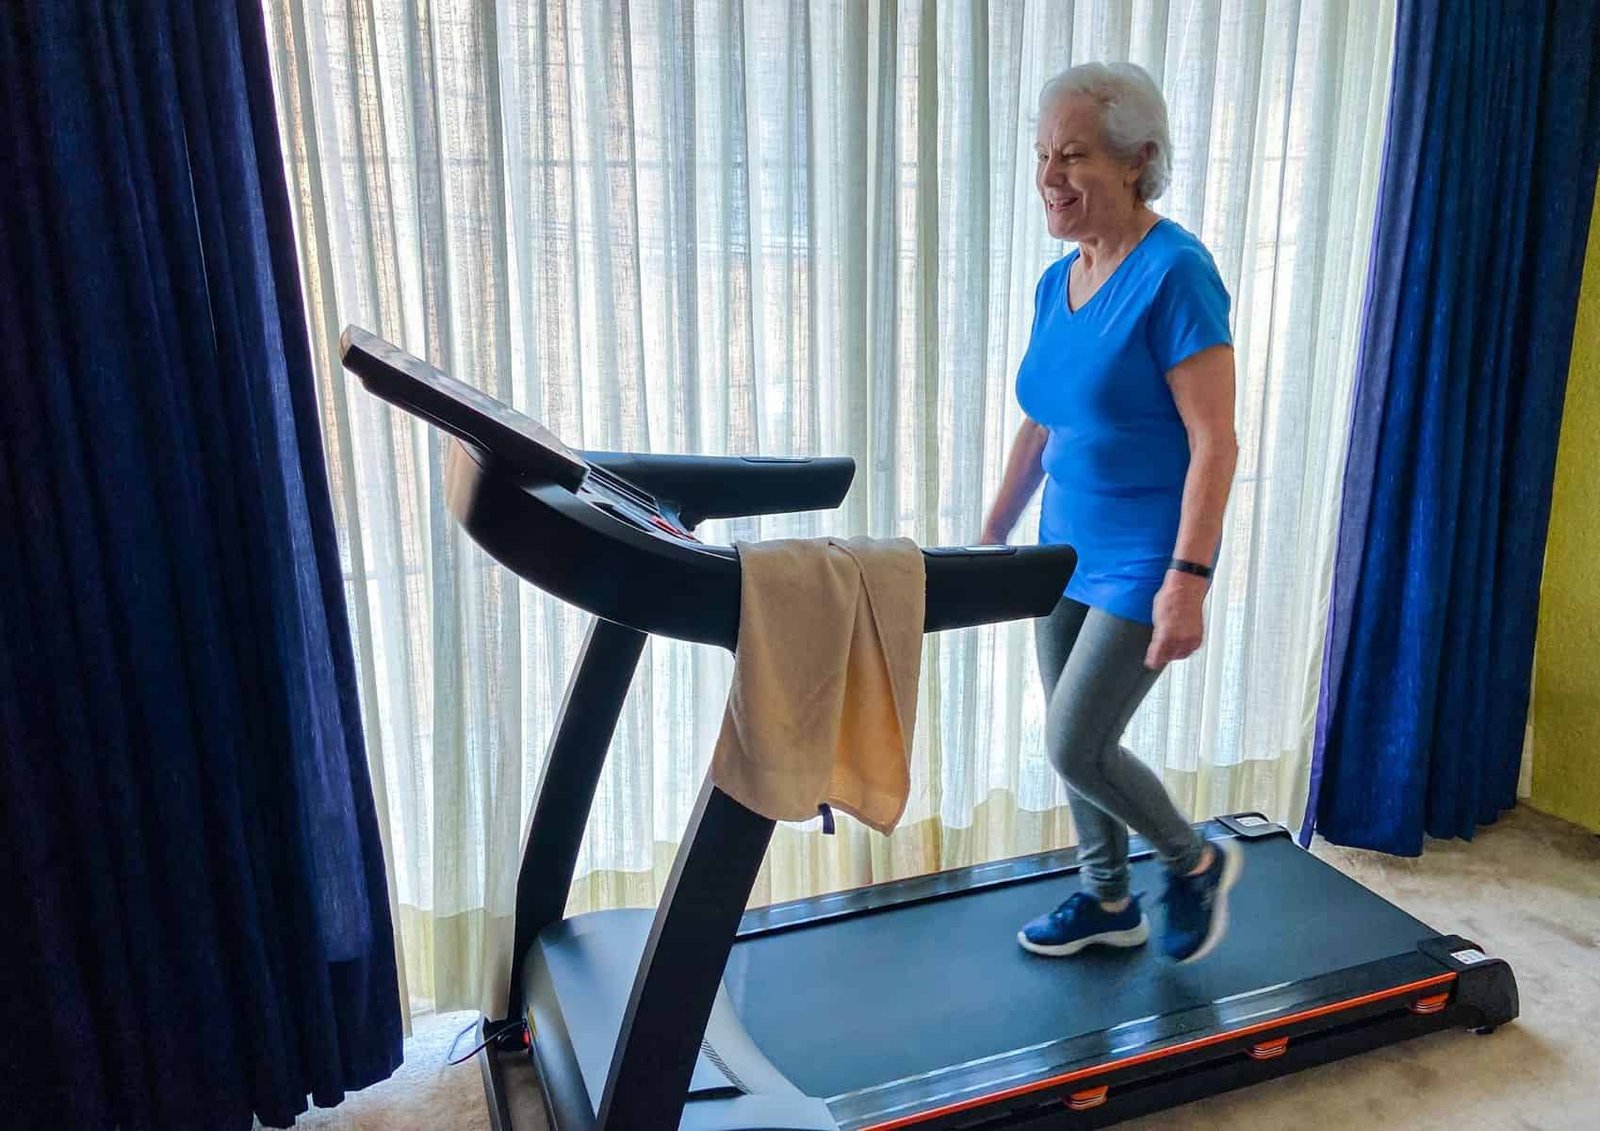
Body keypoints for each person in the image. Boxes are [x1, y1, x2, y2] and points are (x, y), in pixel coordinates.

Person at [979, 61, 1241, 965]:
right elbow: (1044, 419)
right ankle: (1107, 899)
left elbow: (1215, 441)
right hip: (1064, 547)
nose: (1050, 176)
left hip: (1144, 556)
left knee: (1075, 743)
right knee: (1075, 739)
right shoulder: (1058, 281)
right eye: (1043, 155)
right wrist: (991, 538)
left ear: (1137, 161)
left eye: (1074, 154)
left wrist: (1188, 581)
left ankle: (1193, 859)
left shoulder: (1176, 273)